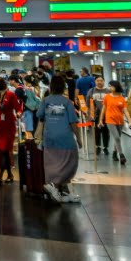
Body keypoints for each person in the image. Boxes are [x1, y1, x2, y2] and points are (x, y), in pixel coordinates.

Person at [37, 74, 82, 203]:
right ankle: (54, 186)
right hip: (65, 137)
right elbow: (73, 122)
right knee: (70, 162)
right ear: (63, 87)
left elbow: (40, 115)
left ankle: (63, 190)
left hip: (49, 137)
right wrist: (79, 138)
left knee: (51, 162)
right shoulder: (67, 102)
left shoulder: (45, 101)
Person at [99, 80, 131, 164]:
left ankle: (114, 153)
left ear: (116, 87)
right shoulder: (107, 97)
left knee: (117, 138)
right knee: (117, 137)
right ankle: (121, 155)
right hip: (110, 120)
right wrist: (100, 120)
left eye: (111, 86)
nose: (109, 88)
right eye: (109, 86)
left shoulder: (122, 98)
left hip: (120, 121)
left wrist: (130, 121)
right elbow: (103, 109)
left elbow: (126, 111)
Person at [87, 76, 111, 155]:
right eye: (98, 80)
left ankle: (105, 147)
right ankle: (98, 147)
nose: (99, 82)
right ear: (95, 81)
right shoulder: (91, 91)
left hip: (107, 115)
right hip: (96, 115)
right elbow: (88, 103)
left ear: (104, 81)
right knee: (96, 132)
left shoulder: (108, 91)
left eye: (101, 80)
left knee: (106, 132)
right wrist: (89, 114)